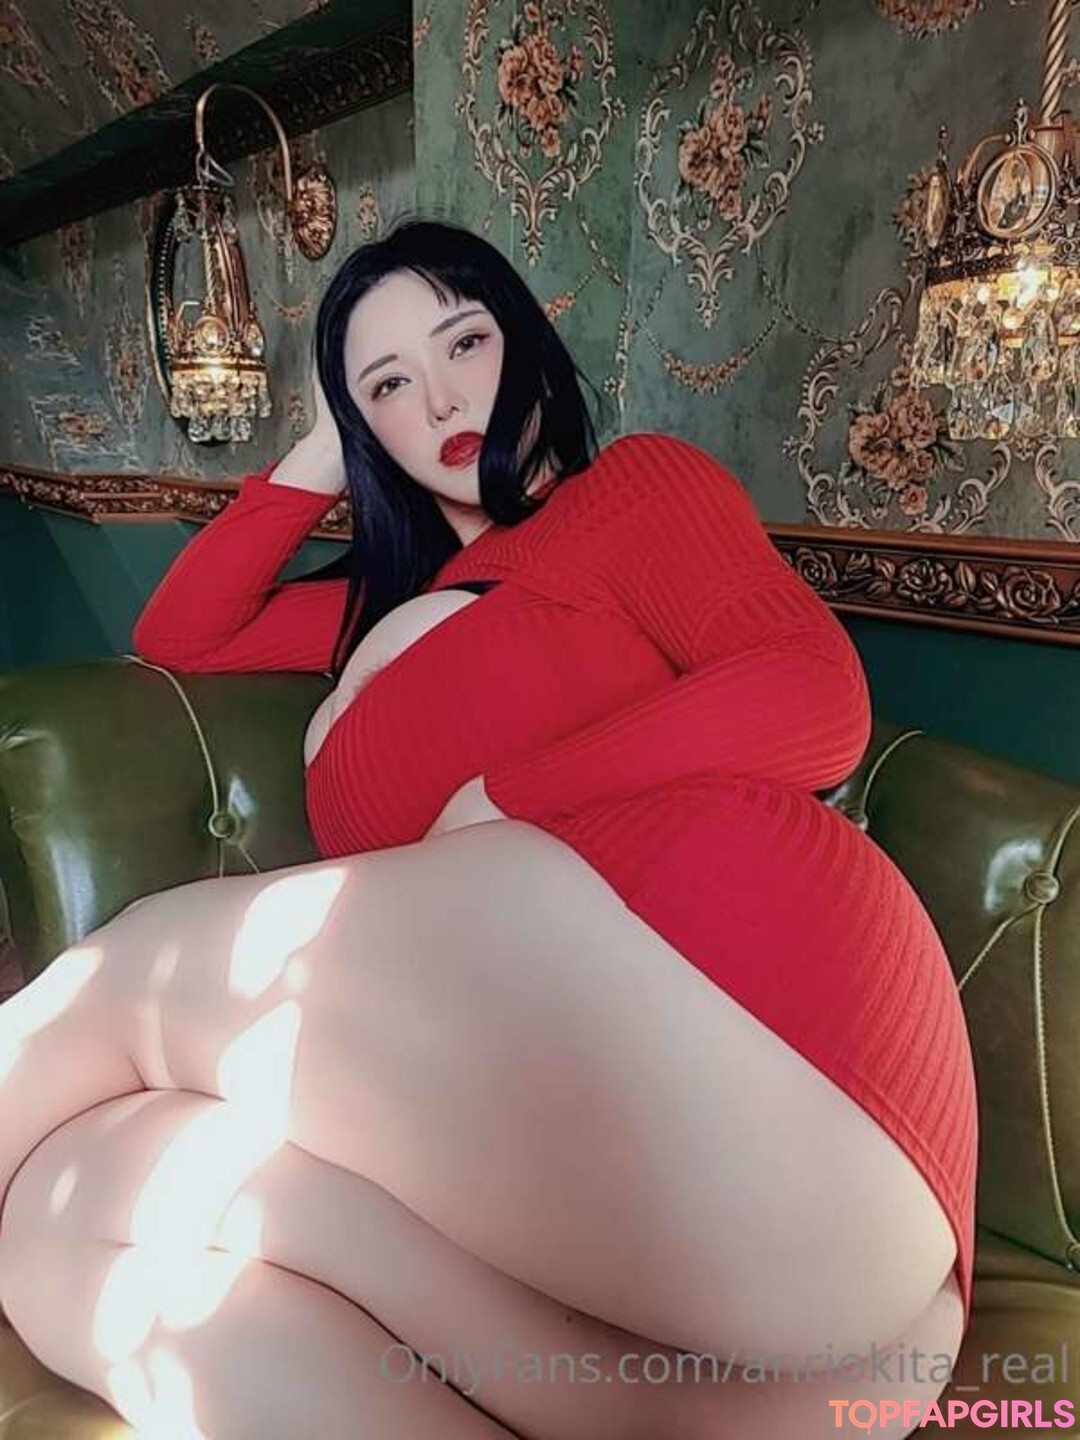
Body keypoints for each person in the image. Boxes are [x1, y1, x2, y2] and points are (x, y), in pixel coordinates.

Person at [0, 217, 977, 1440]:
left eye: (464, 342)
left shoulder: (632, 493)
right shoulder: (373, 609)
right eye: (389, 385)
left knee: (138, 963)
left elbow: (814, 697)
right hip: (712, 1291)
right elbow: (179, 636)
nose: (442, 398)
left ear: (526, 341)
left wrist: (501, 803)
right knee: (73, 1218)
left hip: (769, 1026)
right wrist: (326, 441)